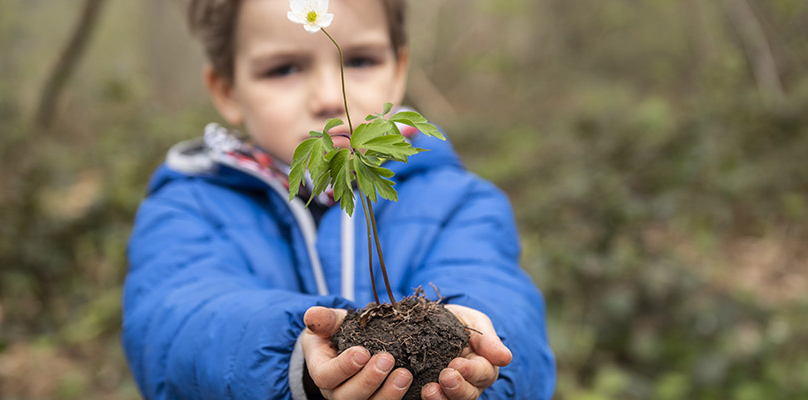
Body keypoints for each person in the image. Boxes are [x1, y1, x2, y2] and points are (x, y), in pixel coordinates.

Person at [122, 0, 556, 398]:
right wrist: (295, 361)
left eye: (361, 61)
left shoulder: (459, 201)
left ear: (400, 69)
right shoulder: (189, 207)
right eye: (283, 68)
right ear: (227, 90)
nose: (330, 97)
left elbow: (498, 294)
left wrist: (476, 343)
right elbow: (175, 322)